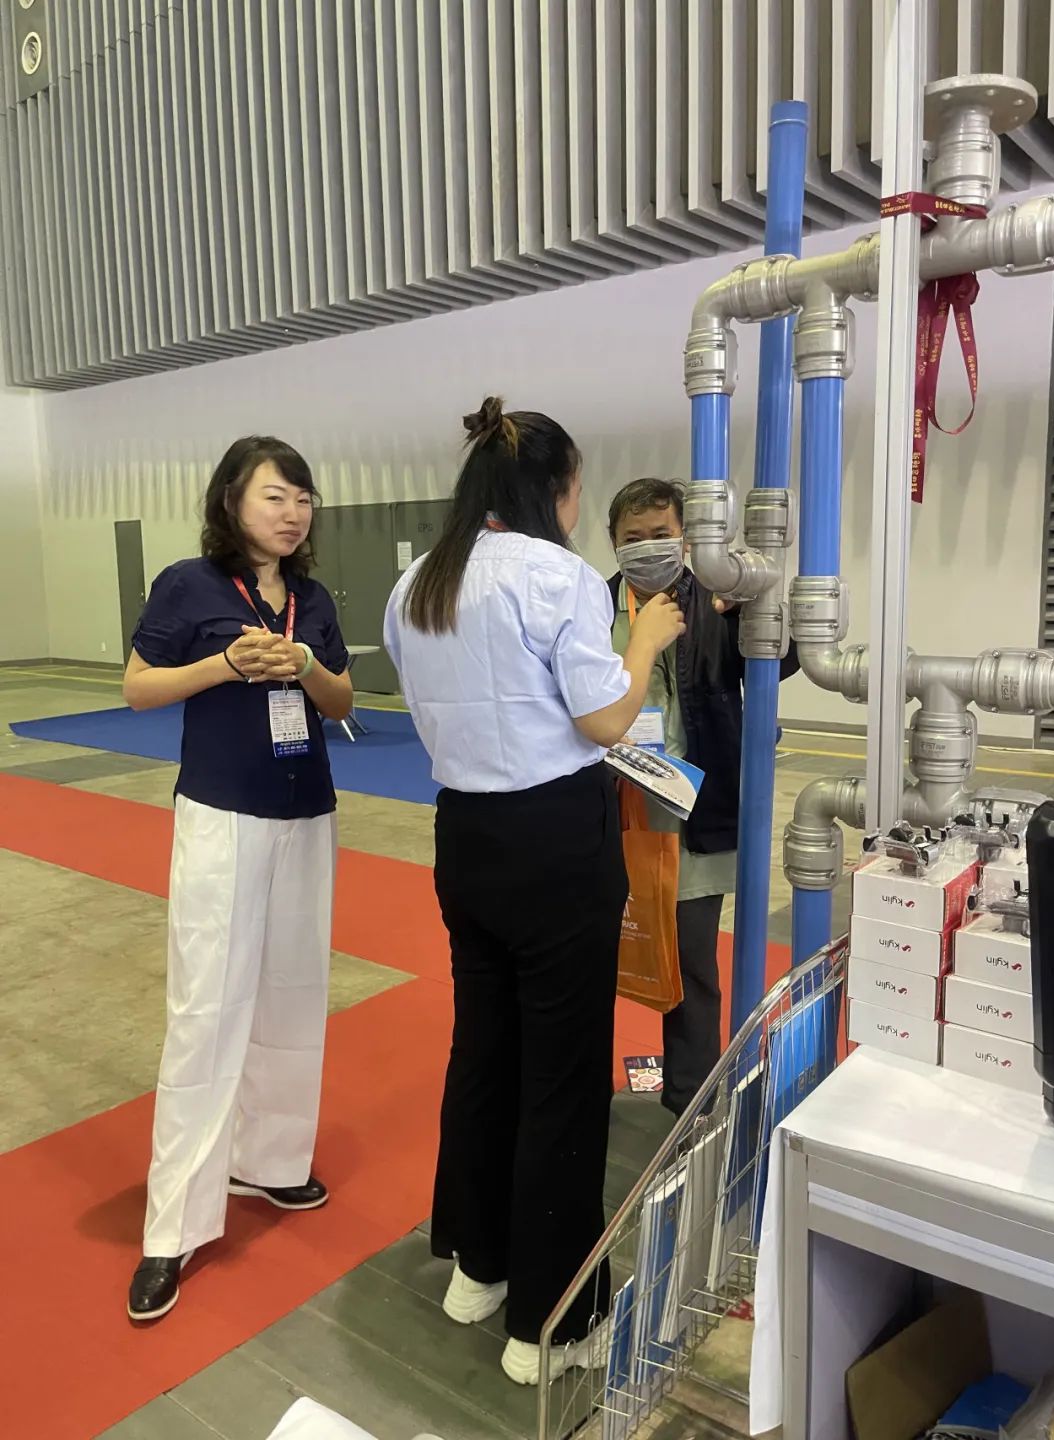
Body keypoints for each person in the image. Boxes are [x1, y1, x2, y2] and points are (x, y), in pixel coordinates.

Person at [384, 398, 684, 1385]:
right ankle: (552, 1325)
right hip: (554, 842)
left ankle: (478, 1269)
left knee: (486, 1052)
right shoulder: (556, 575)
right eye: (578, 488)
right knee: (562, 1076)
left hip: (465, 838)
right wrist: (645, 640)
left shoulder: (418, 583)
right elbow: (603, 721)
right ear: (555, 489)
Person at [123, 436, 354, 1322]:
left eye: (303, 497)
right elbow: (139, 687)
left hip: (306, 810)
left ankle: (272, 1161)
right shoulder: (189, 585)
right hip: (222, 814)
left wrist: (307, 666)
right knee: (207, 1007)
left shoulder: (312, 599)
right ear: (231, 502)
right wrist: (225, 665)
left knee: (294, 992)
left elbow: (341, 702)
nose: (292, 513)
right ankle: (173, 1226)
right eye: (274, 496)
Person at [607, 478, 800, 1115]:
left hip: (694, 817)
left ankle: (690, 1102)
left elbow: (783, 660)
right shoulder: (592, 607)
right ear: (614, 543)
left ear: (685, 538)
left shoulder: (717, 600)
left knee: (692, 964)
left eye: (660, 535)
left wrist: (751, 609)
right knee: (597, 956)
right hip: (614, 814)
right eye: (633, 538)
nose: (647, 548)